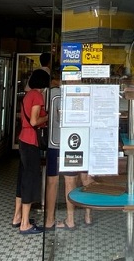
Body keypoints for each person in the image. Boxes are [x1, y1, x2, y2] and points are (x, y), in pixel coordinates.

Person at [42, 78, 92, 229]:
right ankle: (77, 218)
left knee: (53, 181)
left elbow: (48, 114)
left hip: (55, 142)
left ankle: (50, 220)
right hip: (76, 142)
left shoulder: (53, 93)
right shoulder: (84, 93)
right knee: (75, 180)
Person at [12, 68, 50, 235]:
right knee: (29, 180)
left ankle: (17, 217)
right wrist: (48, 117)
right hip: (31, 142)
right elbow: (34, 121)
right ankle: (25, 224)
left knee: (22, 178)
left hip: (23, 139)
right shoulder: (37, 95)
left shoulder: (27, 95)